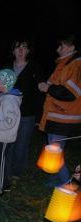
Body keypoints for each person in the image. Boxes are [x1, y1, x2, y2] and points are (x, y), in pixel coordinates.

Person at [38, 34, 81, 187]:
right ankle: (55, 180)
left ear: (72, 47)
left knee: (55, 153)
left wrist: (47, 87)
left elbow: (70, 93)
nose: (57, 49)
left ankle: (68, 184)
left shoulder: (74, 65)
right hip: (58, 116)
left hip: (63, 117)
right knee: (55, 152)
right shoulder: (65, 63)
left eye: (61, 46)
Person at [6, 39, 45, 179]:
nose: (21, 50)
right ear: (13, 51)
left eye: (24, 47)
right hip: (8, 113)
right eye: (18, 47)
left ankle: (17, 171)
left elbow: (42, 88)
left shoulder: (34, 67)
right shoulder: (7, 69)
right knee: (8, 141)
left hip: (27, 114)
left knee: (21, 143)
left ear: (28, 51)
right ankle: (6, 168)